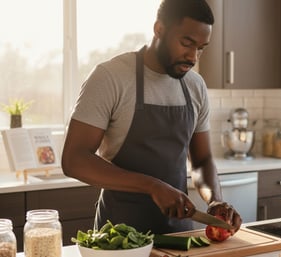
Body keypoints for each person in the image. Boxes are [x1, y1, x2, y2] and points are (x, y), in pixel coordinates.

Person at [61, 0, 242, 235]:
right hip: (118, 237)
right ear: (159, 29)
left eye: (201, 48)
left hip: (179, 234)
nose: (193, 57)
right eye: (186, 43)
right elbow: (74, 159)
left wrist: (215, 200)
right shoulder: (111, 77)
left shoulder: (195, 87)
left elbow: (202, 160)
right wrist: (152, 186)